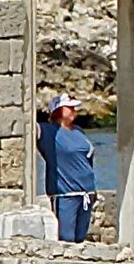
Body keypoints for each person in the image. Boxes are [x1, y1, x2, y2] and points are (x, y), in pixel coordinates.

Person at [36, 93, 96, 243]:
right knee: (66, 239)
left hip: (86, 194)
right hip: (65, 196)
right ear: (59, 111)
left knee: (80, 239)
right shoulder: (48, 132)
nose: (74, 110)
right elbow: (28, 127)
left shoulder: (78, 131)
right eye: (69, 108)